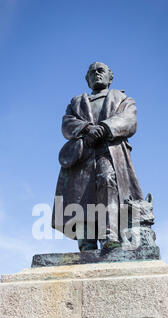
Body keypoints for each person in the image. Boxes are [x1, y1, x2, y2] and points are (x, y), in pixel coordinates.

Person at [52, 62, 143, 251]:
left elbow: (129, 120)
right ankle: (86, 244)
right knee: (81, 195)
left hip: (109, 151)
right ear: (87, 79)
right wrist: (86, 128)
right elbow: (66, 123)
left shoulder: (122, 98)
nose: (96, 74)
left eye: (101, 71)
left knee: (107, 181)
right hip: (83, 153)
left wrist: (104, 128)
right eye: (92, 72)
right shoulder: (76, 102)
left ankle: (110, 237)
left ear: (110, 77)